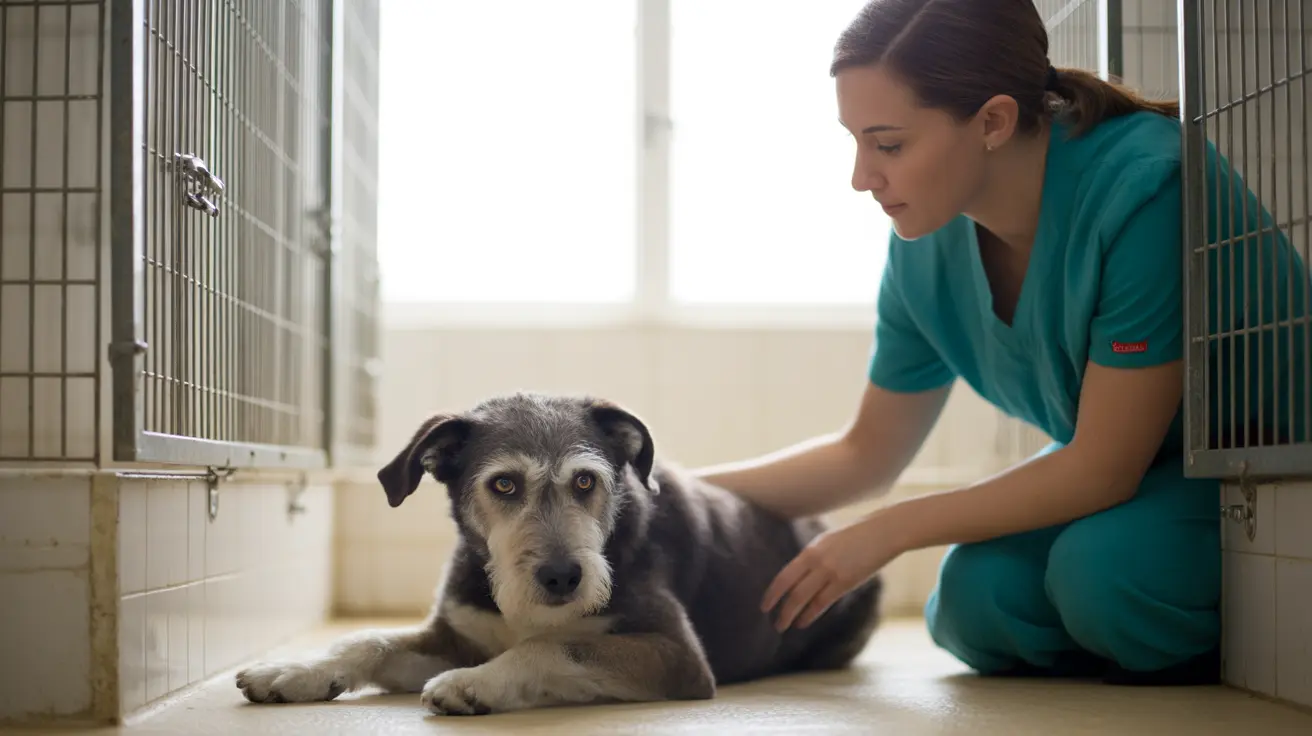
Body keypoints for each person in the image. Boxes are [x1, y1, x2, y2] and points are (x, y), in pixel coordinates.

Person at [694, 0, 1309, 687]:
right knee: (972, 602)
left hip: (1249, 461)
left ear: (992, 122)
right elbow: (865, 453)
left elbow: (1104, 469)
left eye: (888, 144)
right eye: (855, 141)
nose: (861, 176)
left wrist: (887, 530)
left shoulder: (1145, 187)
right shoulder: (925, 247)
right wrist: (663, 489)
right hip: (1117, 467)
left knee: (1105, 577)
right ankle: (1120, 649)